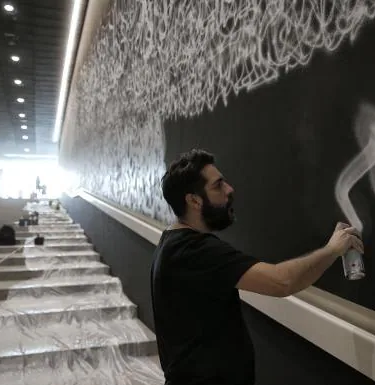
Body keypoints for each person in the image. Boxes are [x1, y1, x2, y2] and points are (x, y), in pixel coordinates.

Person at [151, 149, 364, 385]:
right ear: (194, 200)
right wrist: (332, 250)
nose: (229, 189)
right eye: (218, 185)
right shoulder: (194, 251)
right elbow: (281, 282)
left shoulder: (171, 242)